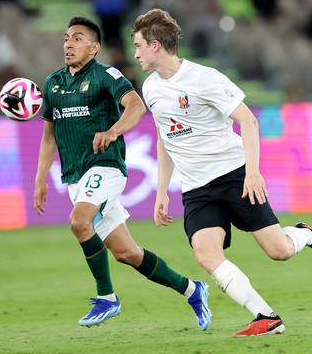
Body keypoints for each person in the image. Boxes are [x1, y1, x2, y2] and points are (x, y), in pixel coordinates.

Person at [132, 8, 312, 337]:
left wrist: (253, 173)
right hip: (197, 189)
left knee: (280, 252)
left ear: (156, 45)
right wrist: (161, 190)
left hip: (233, 175)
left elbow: (248, 121)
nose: (135, 53)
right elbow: (164, 137)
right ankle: (266, 316)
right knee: (205, 253)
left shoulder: (205, 79)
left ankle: (306, 234)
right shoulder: (151, 88)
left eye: (138, 45)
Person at [33, 17, 211, 330]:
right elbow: (49, 136)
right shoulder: (53, 83)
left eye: (77, 38)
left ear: (94, 47)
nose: (68, 44)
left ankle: (107, 298)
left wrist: (113, 131)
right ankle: (192, 289)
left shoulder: (105, 75)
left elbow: (135, 106)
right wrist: (40, 180)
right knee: (128, 253)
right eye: (65, 39)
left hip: (105, 167)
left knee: (79, 221)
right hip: (76, 177)